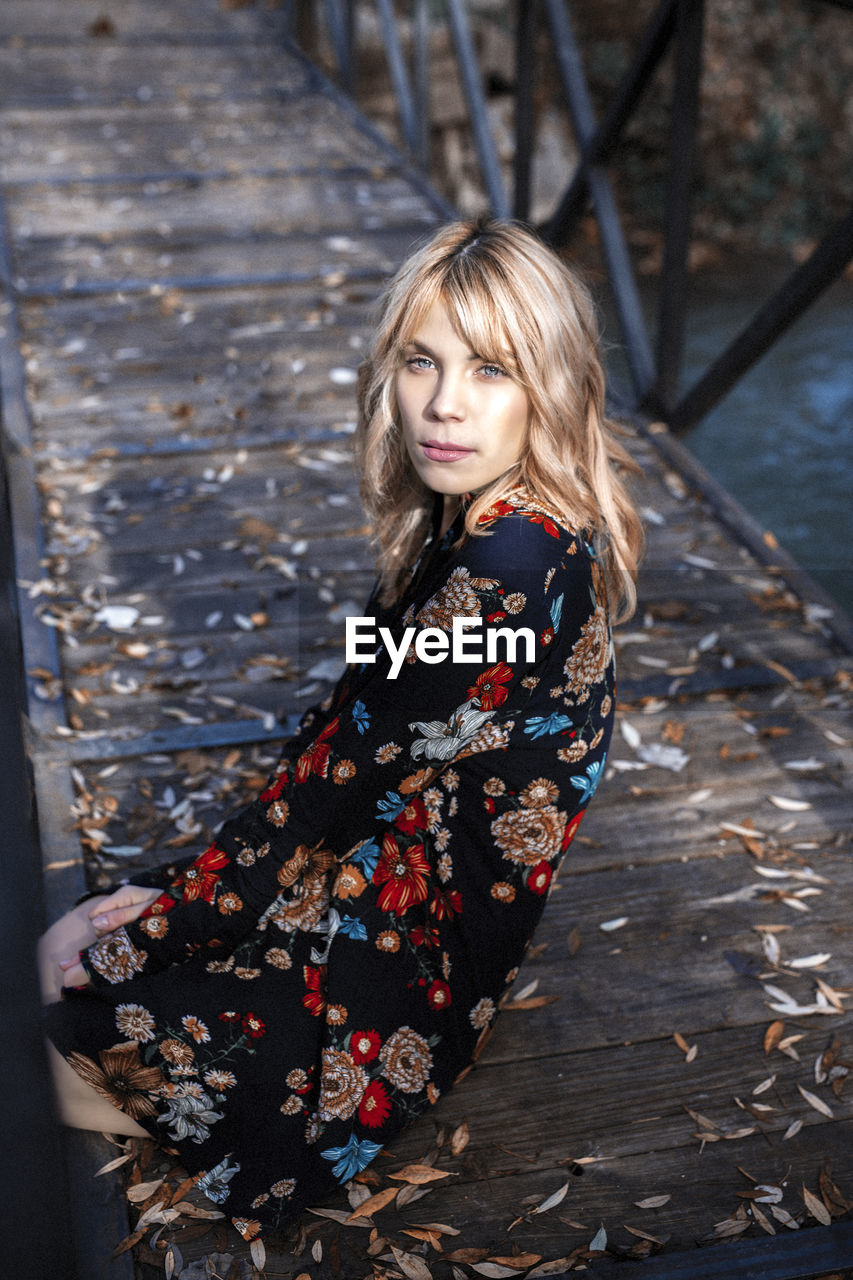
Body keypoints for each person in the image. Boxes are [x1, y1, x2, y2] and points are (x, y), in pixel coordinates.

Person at [40, 218, 643, 1241]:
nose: (443, 402)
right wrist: (158, 902)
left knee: (58, 1001)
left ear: (551, 383)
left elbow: (320, 799)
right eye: (421, 359)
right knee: (89, 926)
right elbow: (338, 750)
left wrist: (144, 929)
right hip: (376, 886)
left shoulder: (501, 576)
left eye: (490, 368)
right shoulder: (503, 521)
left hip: (396, 976)